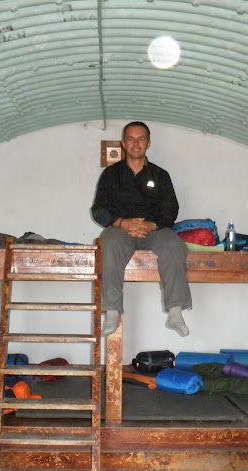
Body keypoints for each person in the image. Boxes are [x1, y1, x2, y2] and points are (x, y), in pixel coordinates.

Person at [91, 121, 191, 337]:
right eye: (130, 139)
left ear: (148, 143)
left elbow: (171, 211)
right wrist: (122, 223)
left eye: (141, 139)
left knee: (174, 244)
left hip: (153, 231)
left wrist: (151, 225)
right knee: (110, 244)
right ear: (123, 144)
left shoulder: (160, 175)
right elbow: (98, 211)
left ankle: (175, 313)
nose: (135, 144)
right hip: (120, 229)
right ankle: (112, 312)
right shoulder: (111, 174)